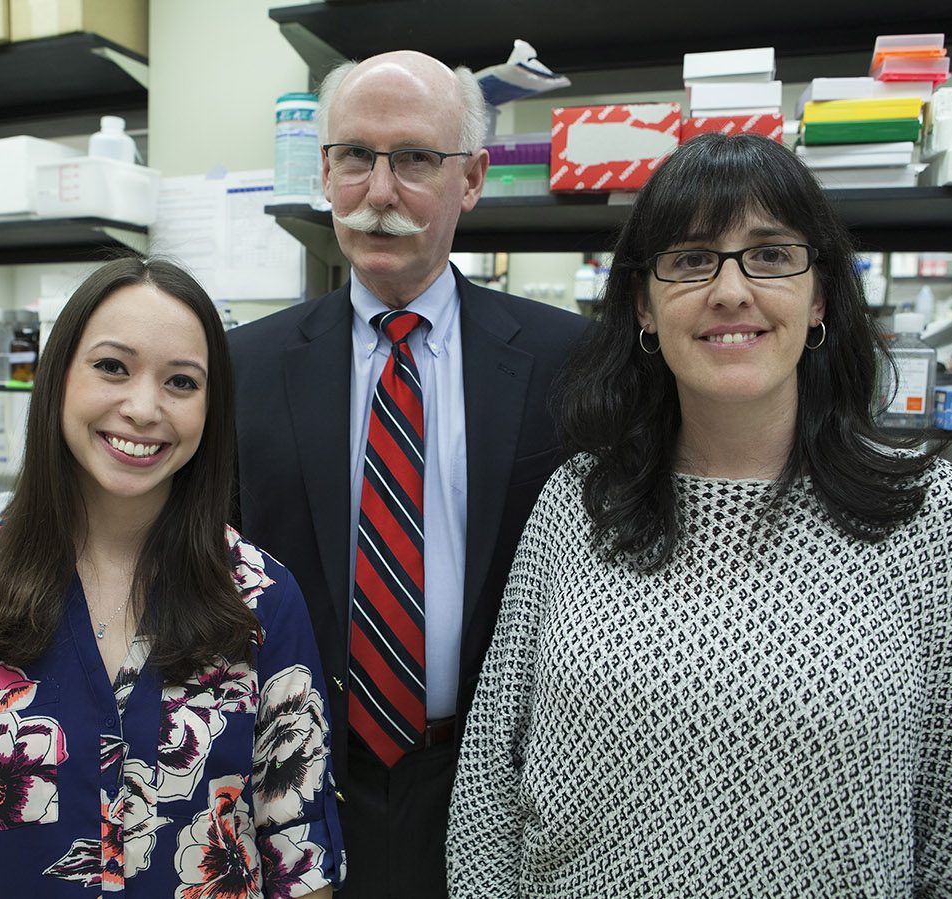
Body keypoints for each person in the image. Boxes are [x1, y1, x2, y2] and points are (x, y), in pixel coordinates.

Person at [447, 132, 952, 897]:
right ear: (643, 302)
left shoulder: (934, 519)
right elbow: (487, 791)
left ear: (820, 293)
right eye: (693, 259)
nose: (731, 291)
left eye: (769, 255)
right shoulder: (579, 499)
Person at [0, 255, 345, 899]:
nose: (143, 408)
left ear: (211, 409)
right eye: (112, 367)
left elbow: (298, 855)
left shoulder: (261, 599)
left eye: (181, 382)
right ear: (59, 376)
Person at [229, 50, 588, 898]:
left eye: (416, 159)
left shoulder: (567, 361)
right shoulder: (245, 366)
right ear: (324, 172)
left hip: (496, 782)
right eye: (356, 156)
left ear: (472, 179)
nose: (379, 191)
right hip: (298, 781)